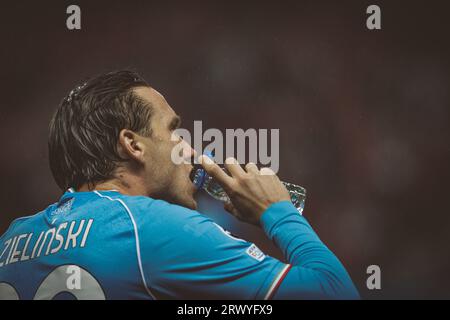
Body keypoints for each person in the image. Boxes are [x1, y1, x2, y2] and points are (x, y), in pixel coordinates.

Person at [0, 70, 359, 300]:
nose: (190, 148)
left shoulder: (10, 242)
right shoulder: (151, 229)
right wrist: (277, 213)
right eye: (173, 130)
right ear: (134, 145)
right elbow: (335, 293)